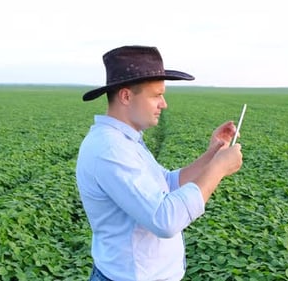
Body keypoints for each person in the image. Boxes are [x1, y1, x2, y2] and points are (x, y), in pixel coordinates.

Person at [76, 45, 243, 281]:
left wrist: (213, 154)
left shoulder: (125, 140)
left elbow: (168, 182)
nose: (163, 104)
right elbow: (164, 220)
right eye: (156, 95)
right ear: (126, 96)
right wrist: (218, 169)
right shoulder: (110, 149)